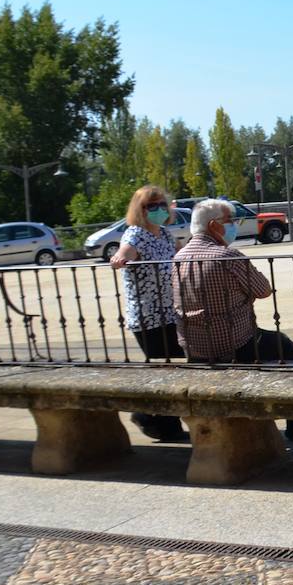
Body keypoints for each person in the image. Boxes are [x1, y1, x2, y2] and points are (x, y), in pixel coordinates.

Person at [171, 199, 293, 440]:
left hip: (196, 348)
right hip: (236, 344)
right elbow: (263, 289)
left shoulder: (179, 258)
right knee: (290, 351)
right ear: (214, 226)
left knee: (275, 344)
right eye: (230, 220)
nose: (235, 225)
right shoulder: (227, 255)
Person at [111, 185, 187, 442]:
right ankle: (150, 417)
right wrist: (120, 258)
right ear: (140, 210)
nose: (157, 210)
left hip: (171, 313)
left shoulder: (165, 234)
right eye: (150, 206)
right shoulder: (135, 235)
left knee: (174, 367)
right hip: (149, 318)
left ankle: (162, 422)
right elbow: (124, 252)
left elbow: (183, 256)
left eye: (161, 205)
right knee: (166, 368)